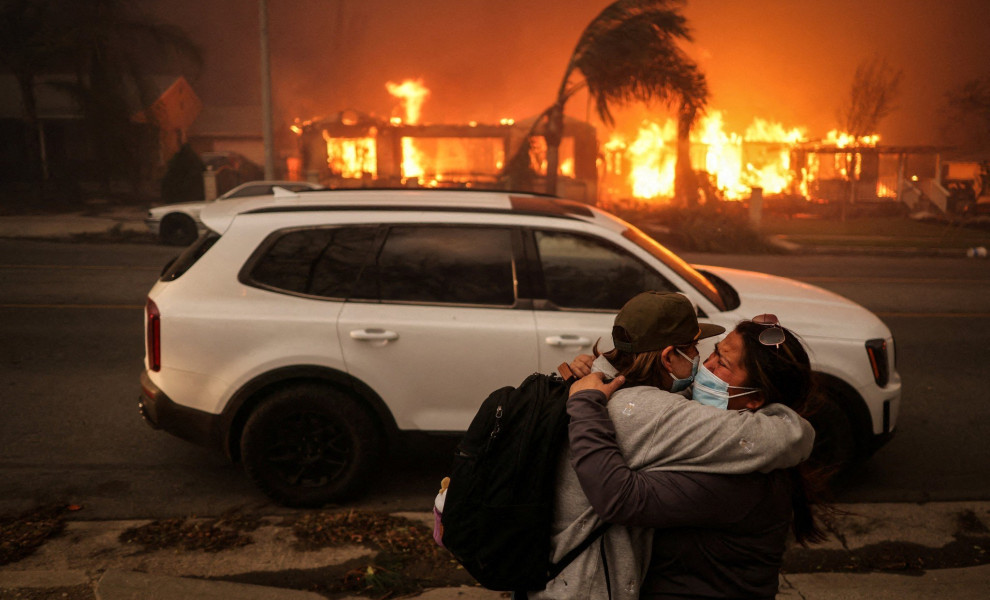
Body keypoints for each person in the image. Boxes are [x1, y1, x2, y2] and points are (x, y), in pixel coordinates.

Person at [529, 292, 815, 600]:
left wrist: (590, 387)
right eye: (707, 352)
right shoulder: (677, 421)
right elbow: (662, 412)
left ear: (756, 398)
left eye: (721, 362)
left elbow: (623, 493)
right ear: (668, 357)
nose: (704, 365)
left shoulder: (741, 473)